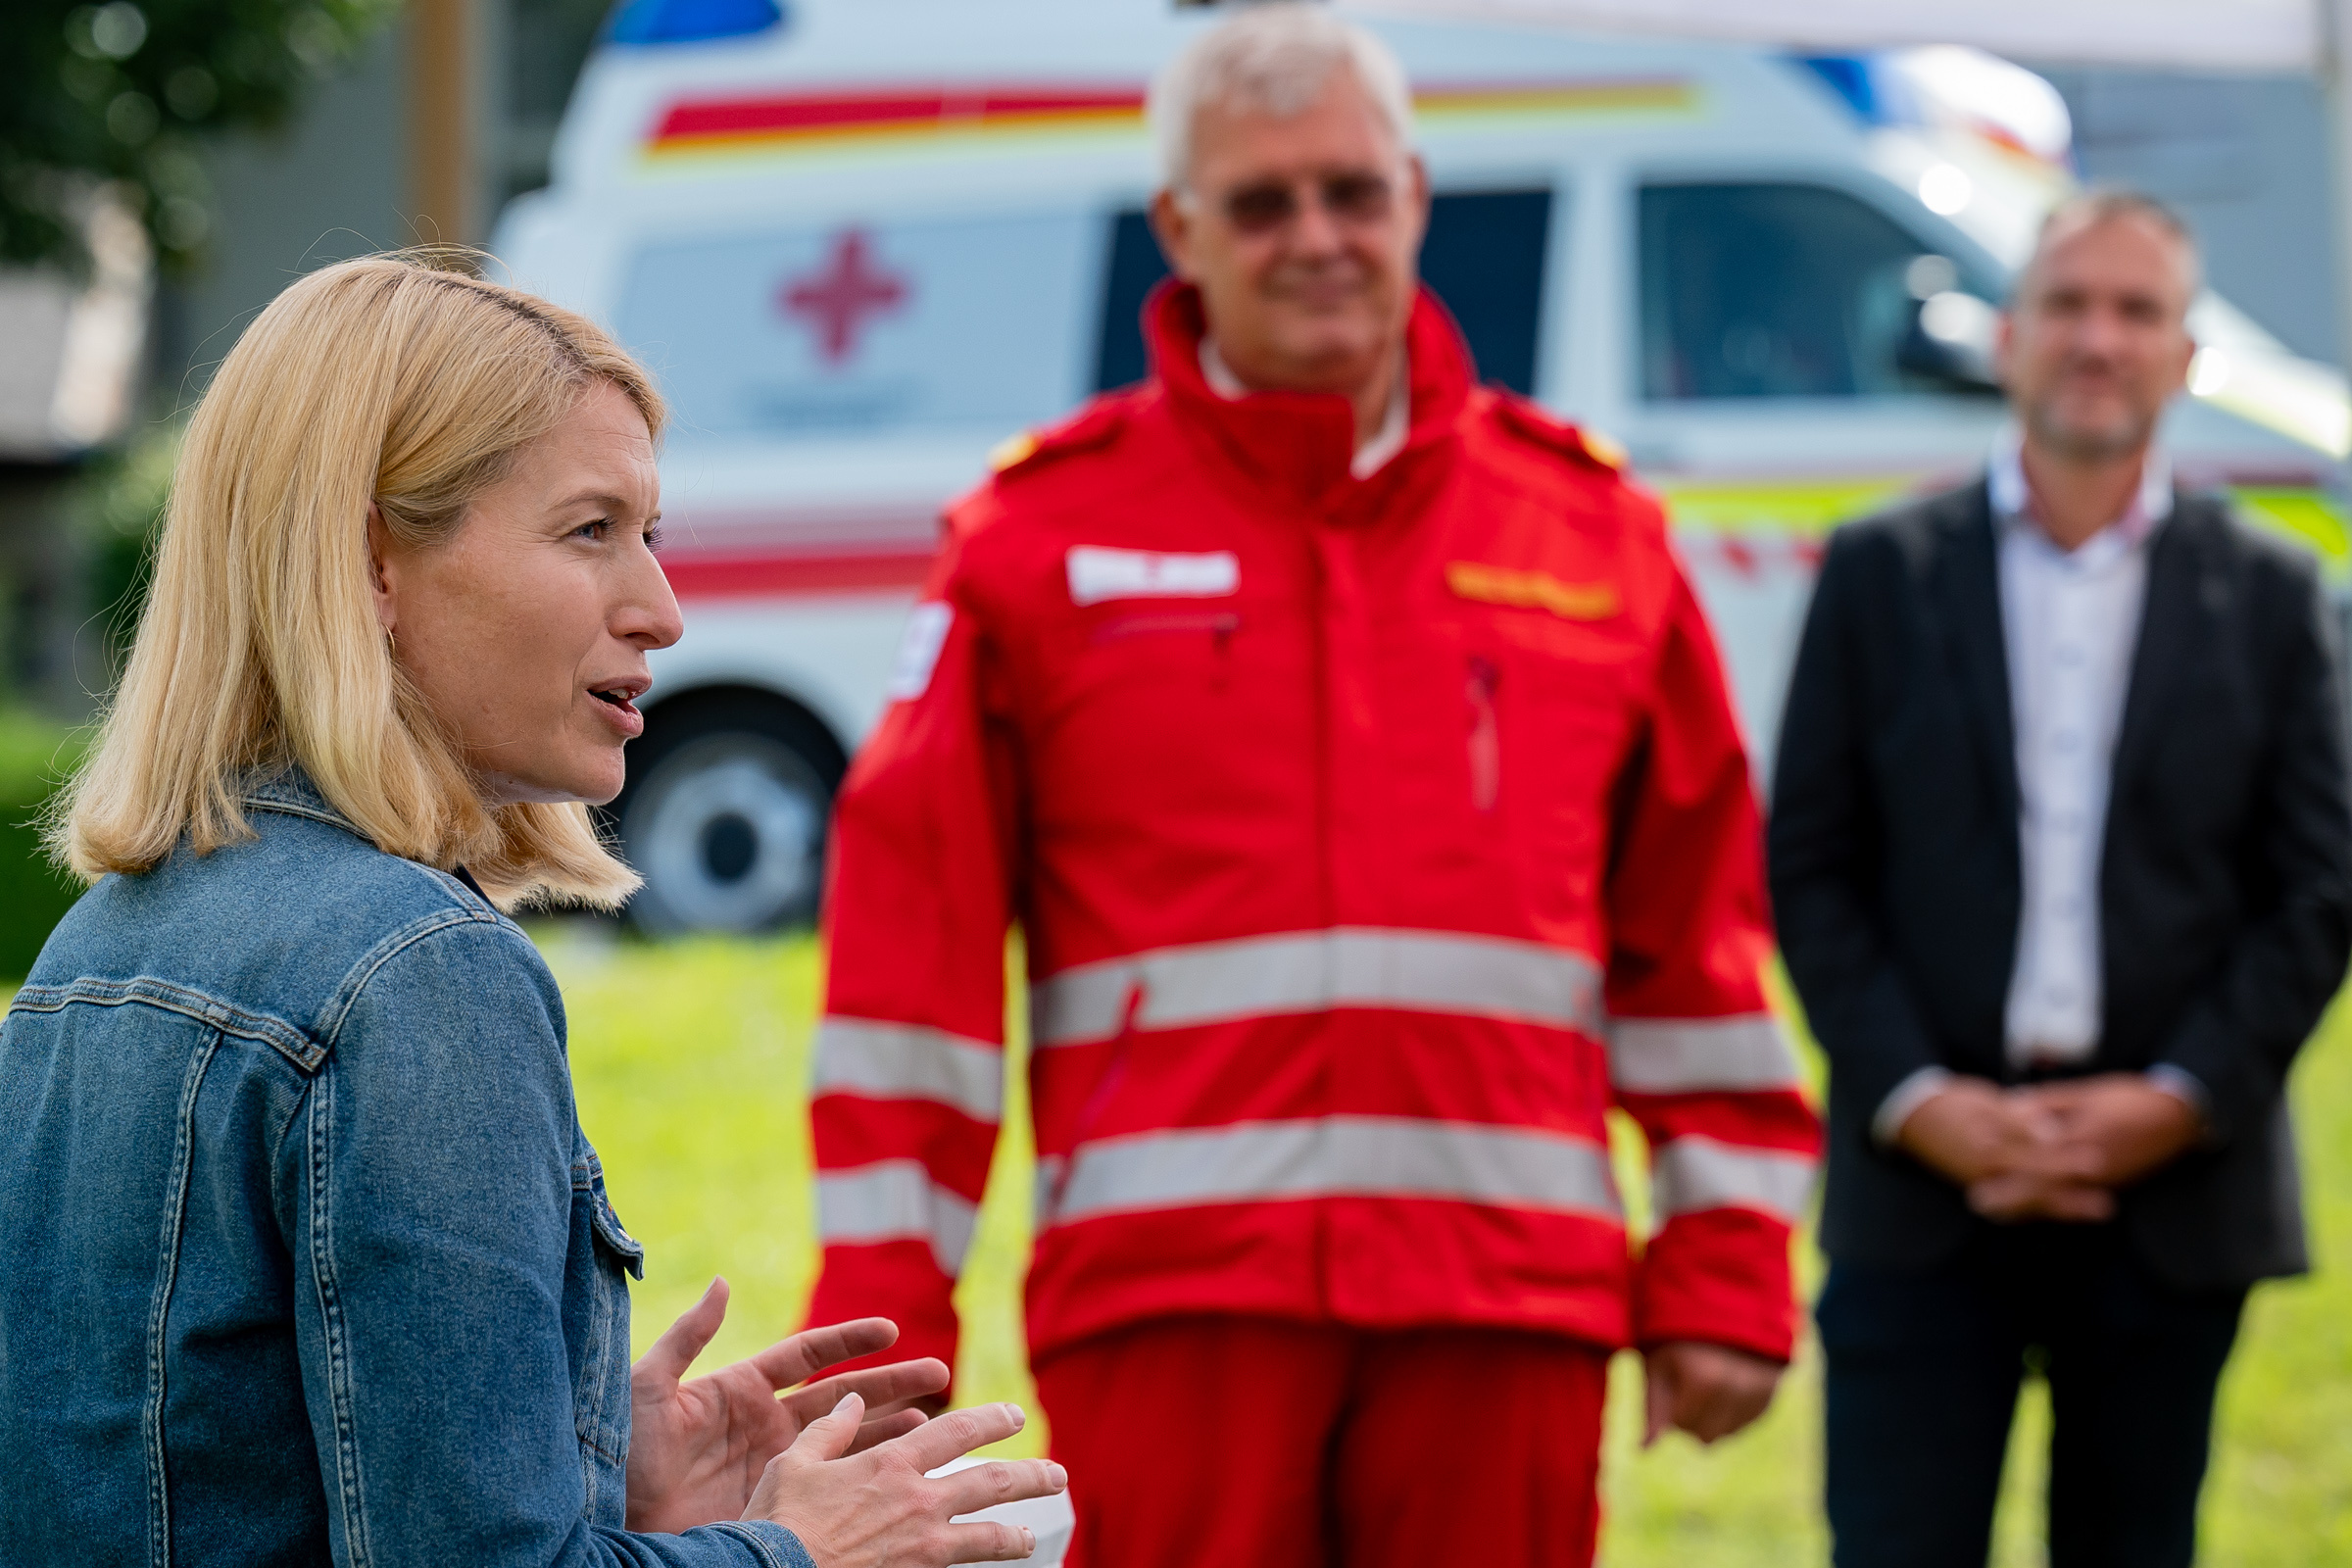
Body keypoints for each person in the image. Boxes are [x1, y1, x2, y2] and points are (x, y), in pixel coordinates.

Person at [805, 8, 1820, 1565]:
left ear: (1416, 197)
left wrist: (1726, 1258)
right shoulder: (1032, 543)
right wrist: (886, 1313)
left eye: (1352, 192)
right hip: (1174, 1300)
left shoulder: (1595, 537)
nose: (1317, 238)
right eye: (1263, 202)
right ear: (1179, 230)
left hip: (1507, 1299)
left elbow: (1697, 935)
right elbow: (909, 959)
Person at [0, 253, 1065, 1568]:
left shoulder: (91, 953)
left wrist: (598, 1482)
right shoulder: (415, 974)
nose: (660, 611)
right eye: (589, 531)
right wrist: (801, 1549)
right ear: (370, 561)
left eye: (650, 535)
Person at [1770, 188, 2352, 1568]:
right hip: (1922, 1191)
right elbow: (1811, 866)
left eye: (2137, 311)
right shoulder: (1878, 572)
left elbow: (2320, 887)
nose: (2100, 339)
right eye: (2069, 305)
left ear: (2186, 355)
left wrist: (2178, 1097)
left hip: (2171, 1201)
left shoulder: (2275, 596)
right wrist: (1920, 1099)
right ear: (2009, 336)